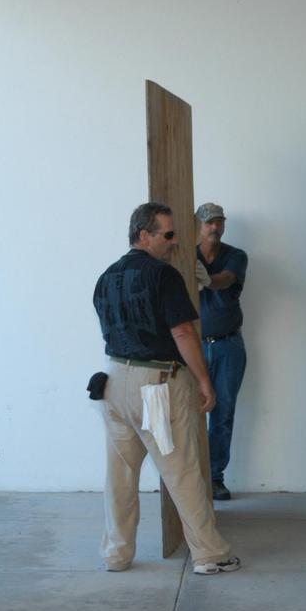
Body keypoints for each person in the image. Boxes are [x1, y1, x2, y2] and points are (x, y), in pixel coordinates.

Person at [93, 202, 240, 575]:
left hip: (113, 381)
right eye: (169, 235)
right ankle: (209, 554)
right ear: (145, 235)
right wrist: (204, 381)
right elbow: (182, 331)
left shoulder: (106, 277)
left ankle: (116, 554)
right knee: (183, 470)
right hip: (155, 384)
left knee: (119, 477)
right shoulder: (164, 275)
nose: (176, 242)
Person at [194, 202, 248, 501]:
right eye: (208, 223)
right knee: (189, 413)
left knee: (223, 412)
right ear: (198, 226)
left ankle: (215, 477)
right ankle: (192, 477)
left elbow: (225, 279)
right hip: (194, 347)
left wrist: (206, 279)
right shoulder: (184, 255)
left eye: (218, 222)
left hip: (228, 345)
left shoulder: (235, 256)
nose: (214, 227)